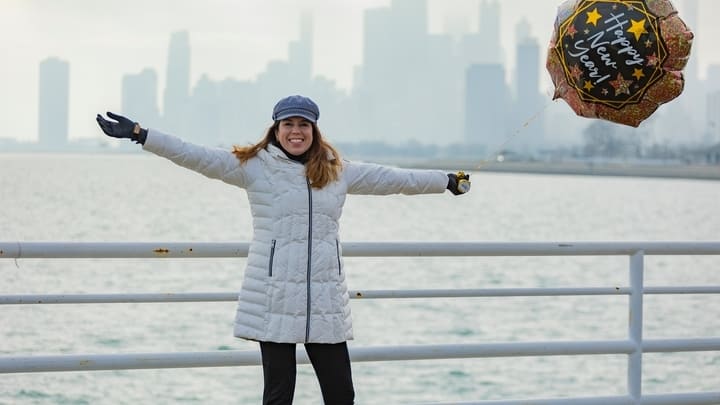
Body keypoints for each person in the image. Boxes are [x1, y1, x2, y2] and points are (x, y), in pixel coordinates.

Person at [96, 95, 470, 405]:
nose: (296, 131)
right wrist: (141, 134)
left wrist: (447, 181)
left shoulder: (338, 171)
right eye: (288, 124)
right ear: (276, 129)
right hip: (274, 297)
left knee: (341, 395)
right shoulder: (253, 167)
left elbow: (396, 179)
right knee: (278, 397)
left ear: (314, 131)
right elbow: (195, 155)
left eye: (303, 125)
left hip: (325, 300)